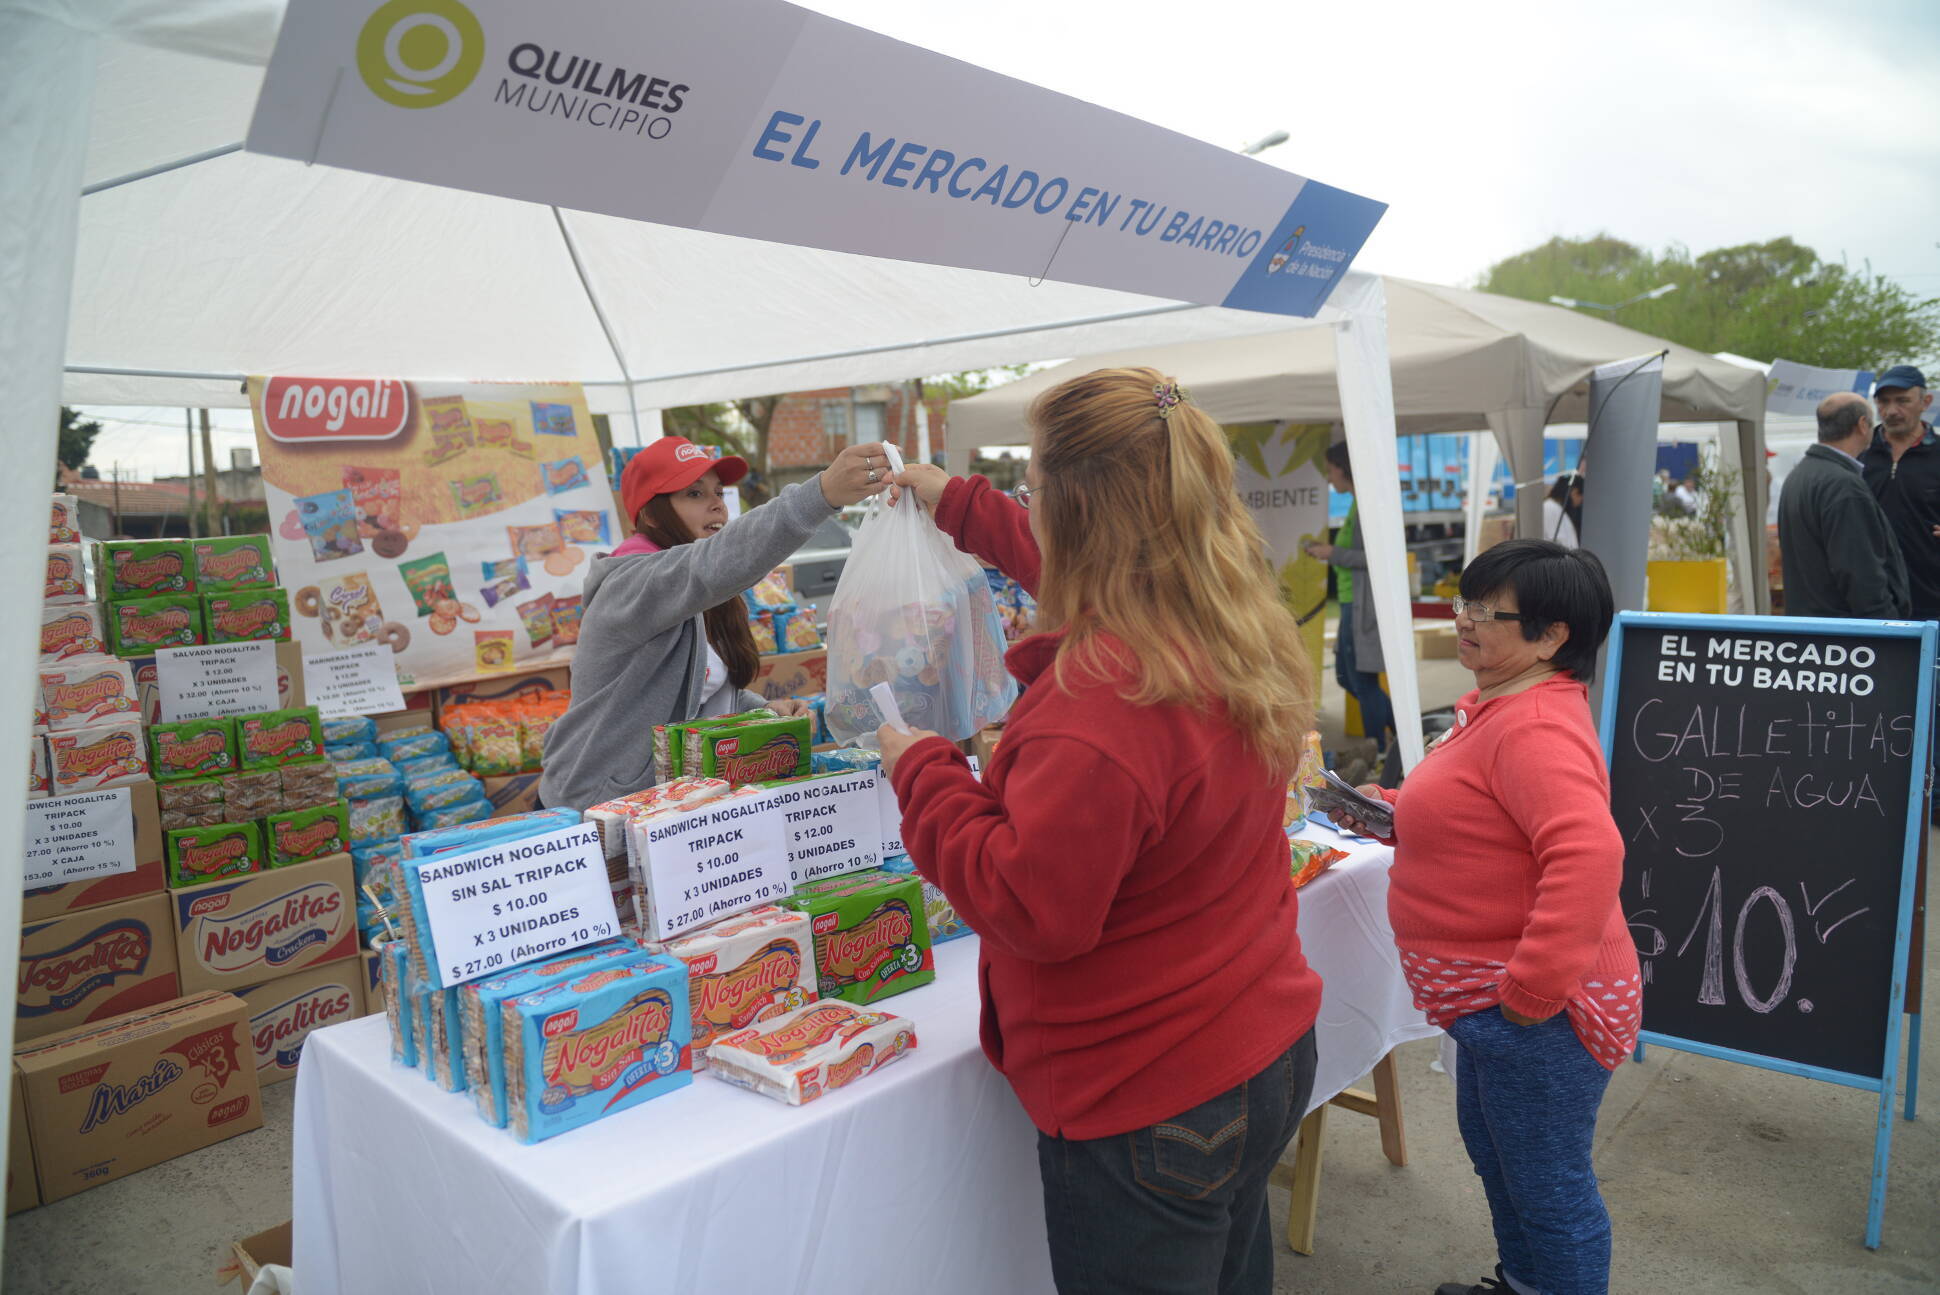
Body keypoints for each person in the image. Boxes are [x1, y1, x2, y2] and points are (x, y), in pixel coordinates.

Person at [880, 368, 1322, 1295]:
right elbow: (1078, 566)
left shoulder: (1103, 702)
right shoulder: (1224, 610)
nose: (1025, 504)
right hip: (1257, 1039)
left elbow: (1030, 904)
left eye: (1032, 486)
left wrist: (923, 771)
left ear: (1074, 511)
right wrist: (954, 500)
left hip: (1148, 1093)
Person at [1328, 539, 1632, 1295]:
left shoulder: (1532, 723)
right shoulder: (1499, 704)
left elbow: (1590, 854)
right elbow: (1477, 820)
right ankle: (1523, 1280)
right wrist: (1377, 810)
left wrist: (1531, 993)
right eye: (1462, 601)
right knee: (1503, 1159)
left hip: (1541, 1011)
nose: (1461, 620)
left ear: (1552, 634)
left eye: (1484, 611)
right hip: (1496, 1007)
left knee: (1548, 1186)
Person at [538, 436, 888, 811]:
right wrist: (820, 495)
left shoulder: (692, 594)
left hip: (666, 805)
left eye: (719, 491)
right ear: (652, 514)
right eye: (694, 494)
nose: (717, 504)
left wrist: (762, 709)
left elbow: (694, 692)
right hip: (596, 808)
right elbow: (715, 563)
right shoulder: (630, 583)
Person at [1777, 392, 1908, 619]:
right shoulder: (1842, 485)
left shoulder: (1800, 474)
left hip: (1814, 630)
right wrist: (1889, 630)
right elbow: (1860, 572)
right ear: (1862, 425)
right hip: (1847, 637)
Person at [1302, 441, 1396, 755]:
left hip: (1360, 606)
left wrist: (1332, 553)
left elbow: (1377, 556)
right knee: (1348, 675)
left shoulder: (1367, 505)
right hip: (1350, 603)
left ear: (1345, 468)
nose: (1329, 478)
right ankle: (1403, 732)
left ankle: (1379, 749)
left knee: (1360, 679)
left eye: (1331, 470)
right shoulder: (1358, 504)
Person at [1861, 365, 1940, 620]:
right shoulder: (1860, 455)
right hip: (1871, 602)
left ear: (1925, 401)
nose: (1892, 411)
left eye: (1902, 401)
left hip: (1931, 602)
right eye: (1884, 402)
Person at [1543, 471, 1584, 549]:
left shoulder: (1555, 508)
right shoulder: (1550, 507)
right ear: (1574, 492)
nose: (1579, 503)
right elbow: (1560, 542)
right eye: (1581, 499)